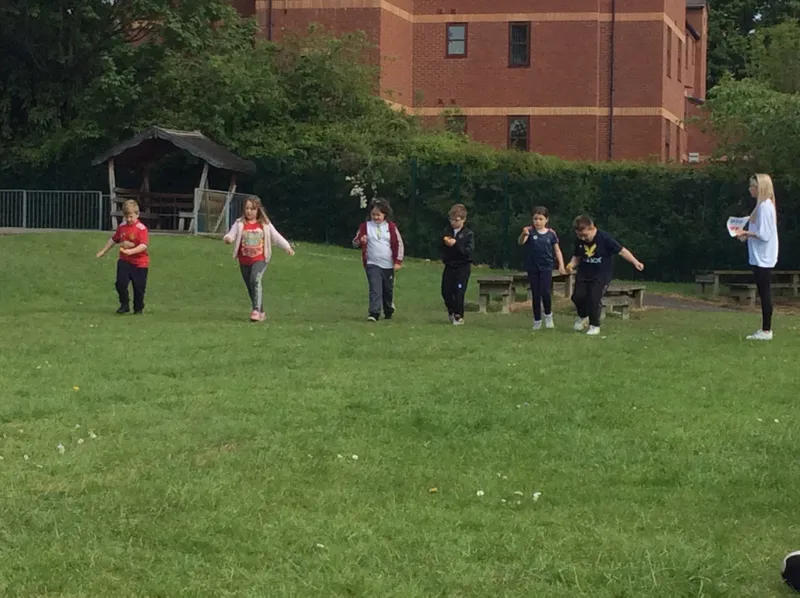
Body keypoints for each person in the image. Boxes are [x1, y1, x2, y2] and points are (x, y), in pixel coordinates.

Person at [566, 215, 644, 336]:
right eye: (579, 235)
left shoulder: (605, 238)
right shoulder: (580, 241)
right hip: (584, 273)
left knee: (594, 299)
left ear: (592, 228)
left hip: (601, 275)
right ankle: (583, 316)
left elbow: (622, 251)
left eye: (585, 235)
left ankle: (594, 325)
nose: (582, 238)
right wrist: (571, 264)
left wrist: (635, 262)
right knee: (577, 297)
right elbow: (577, 256)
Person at [223, 196, 294, 322]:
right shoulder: (240, 223)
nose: (249, 211)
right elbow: (231, 234)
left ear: (258, 210)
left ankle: (255, 310)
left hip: (260, 258)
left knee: (255, 279)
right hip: (244, 260)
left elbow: (276, 237)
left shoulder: (265, 225)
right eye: (247, 208)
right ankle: (261, 312)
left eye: (252, 209)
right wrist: (228, 239)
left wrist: (287, 247)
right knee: (251, 286)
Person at [733, 173, 779, 340]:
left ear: (760, 188)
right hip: (759, 256)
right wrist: (744, 236)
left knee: (765, 292)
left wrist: (746, 232)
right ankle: (765, 329)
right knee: (763, 291)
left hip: (764, 258)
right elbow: (758, 233)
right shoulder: (761, 207)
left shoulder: (765, 207)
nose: (749, 189)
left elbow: (764, 234)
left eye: (752, 186)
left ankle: (766, 330)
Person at [352, 198, 404, 321]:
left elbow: (398, 244)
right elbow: (355, 242)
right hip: (372, 263)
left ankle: (388, 309)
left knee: (387, 290)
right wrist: (360, 241)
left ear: (385, 215)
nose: (376, 217)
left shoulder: (391, 227)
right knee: (375, 288)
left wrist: (398, 261)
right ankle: (374, 312)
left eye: (378, 215)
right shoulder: (365, 227)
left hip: (388, 265)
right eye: (373, 214)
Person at [96, 199, 149, 315]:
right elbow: (114, 239)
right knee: (120, 283)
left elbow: (144, 245)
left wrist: (132, 251)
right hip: (124, 261)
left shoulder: (141, 228)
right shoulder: (122, 226)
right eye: (126, 217)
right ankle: (124, 304)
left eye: (131, 217)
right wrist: (103, 251)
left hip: (140, 263)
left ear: (137, 214)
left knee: (139, 288)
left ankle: (138, 308)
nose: (129, 219)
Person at [518, 206, 567, 329]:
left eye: (540, 219)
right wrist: (523, 234)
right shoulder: (529, 231)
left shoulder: (551, 234)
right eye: (535, 219)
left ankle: (548, 315)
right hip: (533, 267)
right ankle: (537, 320)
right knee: (535, 294)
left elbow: (557, 250)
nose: (537, 222)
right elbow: (521, 242)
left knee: (545, 292)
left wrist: (561, 265)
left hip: (546, 267)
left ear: (546, 219)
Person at [440, 203, 475, 325]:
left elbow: (468, 252)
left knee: (459, 292)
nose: (453, 222)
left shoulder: (468, 234)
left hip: (463, 267)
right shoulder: (447, 232)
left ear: (463, 220)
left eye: (457, 220)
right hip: (449, 265)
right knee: (446, 291)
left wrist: (456, 244)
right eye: (451, 220)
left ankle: (459, 315)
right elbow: (441, 248)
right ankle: (451, 310)